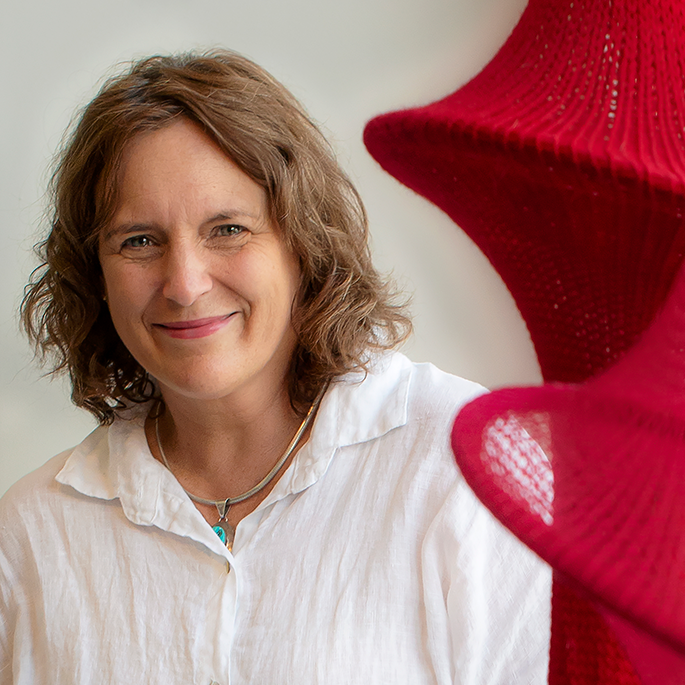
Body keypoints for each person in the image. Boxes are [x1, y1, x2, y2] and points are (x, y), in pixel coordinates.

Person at [0, 50, 551, 684]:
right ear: (95, 274)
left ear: (302, 244)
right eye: (139, 241)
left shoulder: (467, 469)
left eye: (228, 229)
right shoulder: (34, 533)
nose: (183, 283)